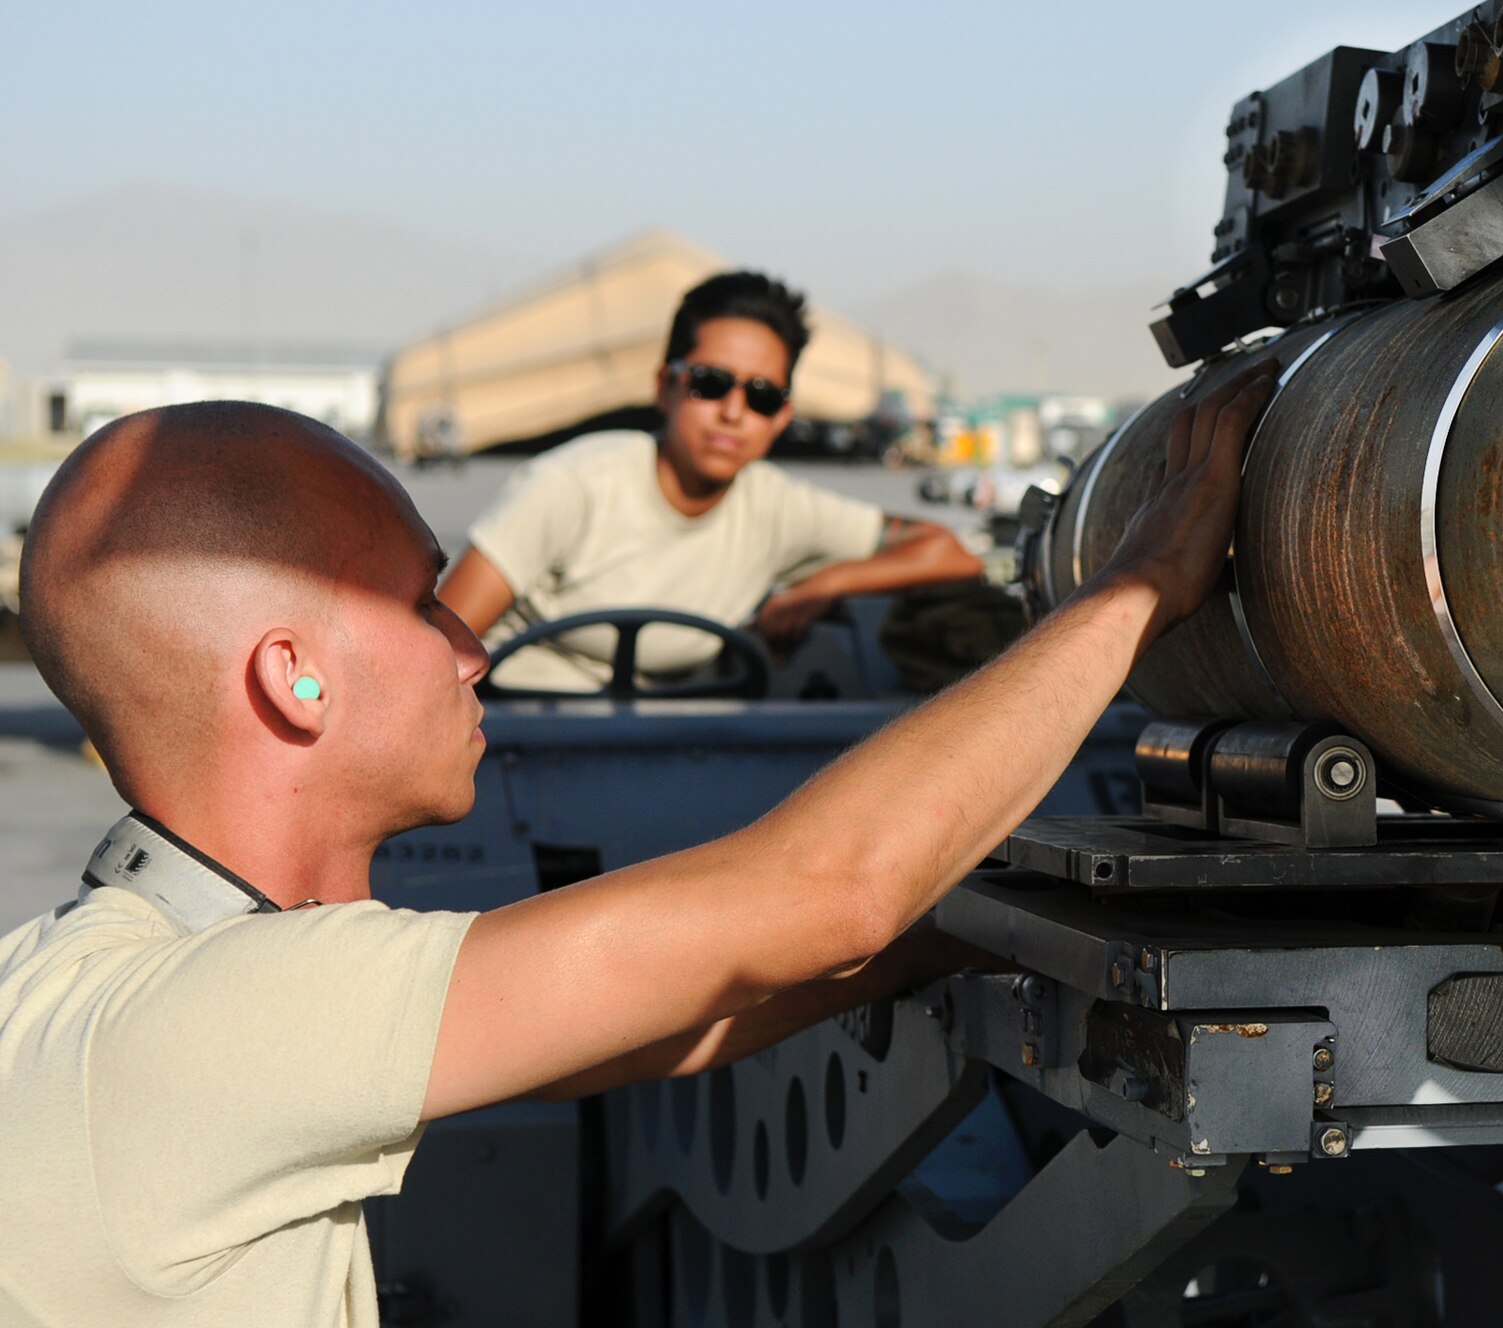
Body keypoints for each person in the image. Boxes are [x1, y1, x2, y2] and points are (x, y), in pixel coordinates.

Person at [0, 362, 1274, 1326]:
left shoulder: (105, 976)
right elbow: (822, 892)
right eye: (417, 601)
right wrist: (1144, 577)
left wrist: (941, 935)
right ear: (296, 681)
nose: (472, 644)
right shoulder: (219, 1020)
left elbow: (645, 1019)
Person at [438, 270, 983, 689]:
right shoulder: (573, 485)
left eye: (762, 395)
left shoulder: (775, 507)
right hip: (520, 738)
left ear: (783, 417)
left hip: (677, 742)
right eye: (710, 383)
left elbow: (949, 551)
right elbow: (441, 650)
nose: (733, 412)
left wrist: (822, 586)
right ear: (665, 387)